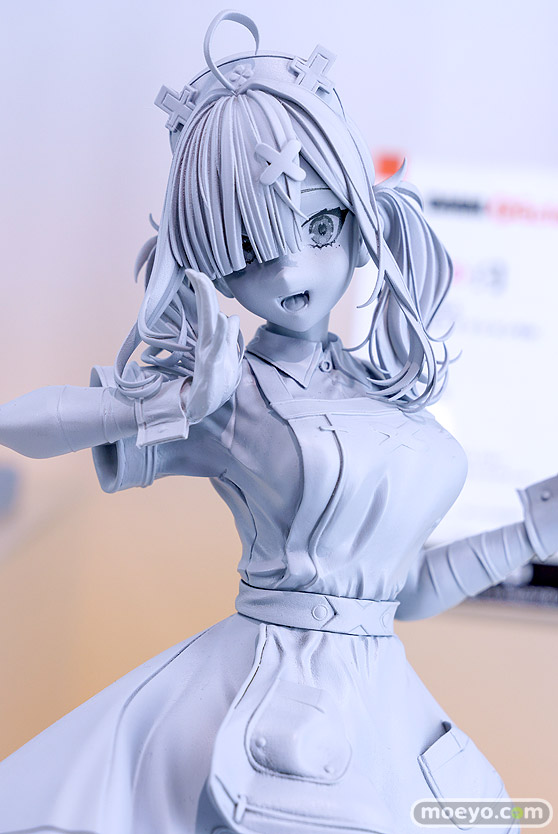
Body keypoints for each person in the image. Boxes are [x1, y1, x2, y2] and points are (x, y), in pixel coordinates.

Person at [0, 10, 555, 834]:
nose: (292, 267)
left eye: (319, 225)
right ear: (215, 264)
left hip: (382, 703)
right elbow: (20, 424)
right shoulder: (231, 391)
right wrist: (171, 403)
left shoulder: (386, 393)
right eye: (253, 248)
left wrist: (530, 535)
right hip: (275, 697)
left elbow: (400, 593)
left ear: (358, 225)